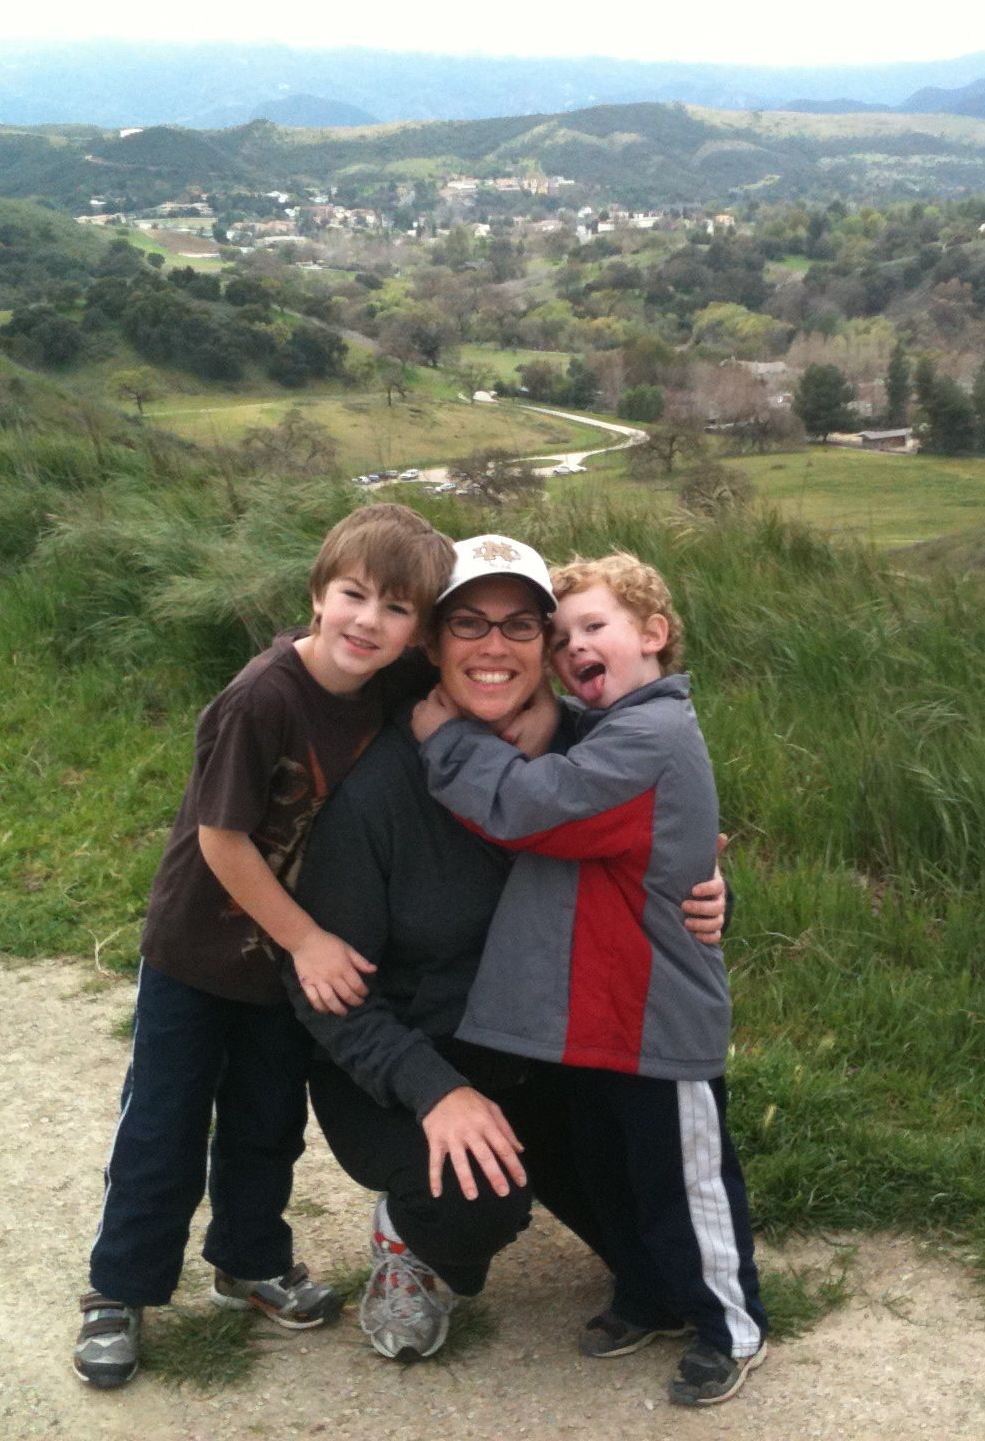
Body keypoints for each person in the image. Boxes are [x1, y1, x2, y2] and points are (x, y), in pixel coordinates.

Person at [284, 534, 730, 1374]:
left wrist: (708, 891)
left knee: (656, 1243)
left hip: (537, 1048)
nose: (495, 648)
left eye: (523, 627)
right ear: (430, 644)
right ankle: (405, 1238)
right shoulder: (378, 791)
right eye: (469, 626)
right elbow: (322, 993)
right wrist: (434, 1091)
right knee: (475, 1199)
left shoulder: (588, 747)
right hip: (407, 1060)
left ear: (547, 649)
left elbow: (659, 836)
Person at [73, 503, 454, 1390]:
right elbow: (224, 842)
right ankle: (118, 1290)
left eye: (397, 610)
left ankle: (248, 1262)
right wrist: (311, 939)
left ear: (416, 633)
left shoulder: (387, 685)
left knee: (266, 1123)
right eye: (353, 595)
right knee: (163, 1125)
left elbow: (472, 682)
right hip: (199, 956)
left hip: (282, 973)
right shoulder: (261, 698)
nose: (369, 621)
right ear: (317, 594)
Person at [413, 550, 766, 1406]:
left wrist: (450, 738)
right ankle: (649, 1294)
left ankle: (730, 1323)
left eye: (594, 628)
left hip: (656, 1017)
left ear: (655, 635)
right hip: (600, 1015)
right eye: (561, 638)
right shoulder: (610, 724)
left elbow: (536, 808)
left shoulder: (651, 735)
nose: (573, 650)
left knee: (687, 1184)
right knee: (616, 1169)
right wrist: (536, 706)